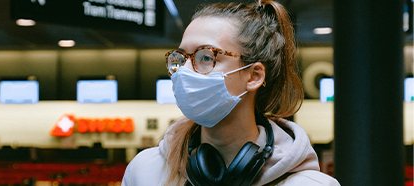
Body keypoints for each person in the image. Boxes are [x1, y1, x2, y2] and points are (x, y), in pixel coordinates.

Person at [122, 0, 340, 185]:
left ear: (254, 76)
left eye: (206, 57)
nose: (184, 72)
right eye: (181, 58)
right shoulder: (144, 173)